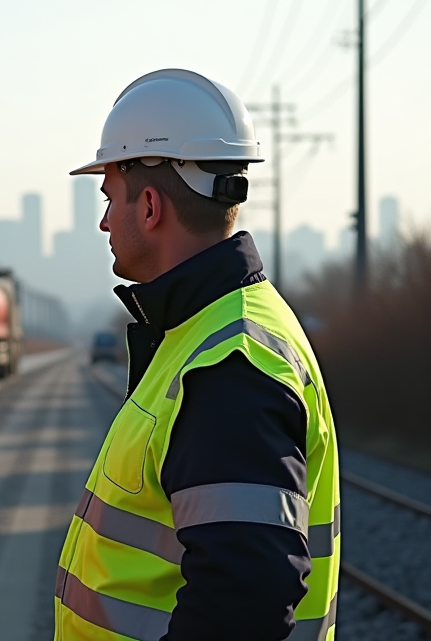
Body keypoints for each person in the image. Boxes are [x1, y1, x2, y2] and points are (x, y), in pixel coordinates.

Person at [54, 69, 340, 641]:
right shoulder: (204, 332)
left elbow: (246, 597)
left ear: (152, 206)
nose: (105, 221)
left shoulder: (230, 364)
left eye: (111, 197)